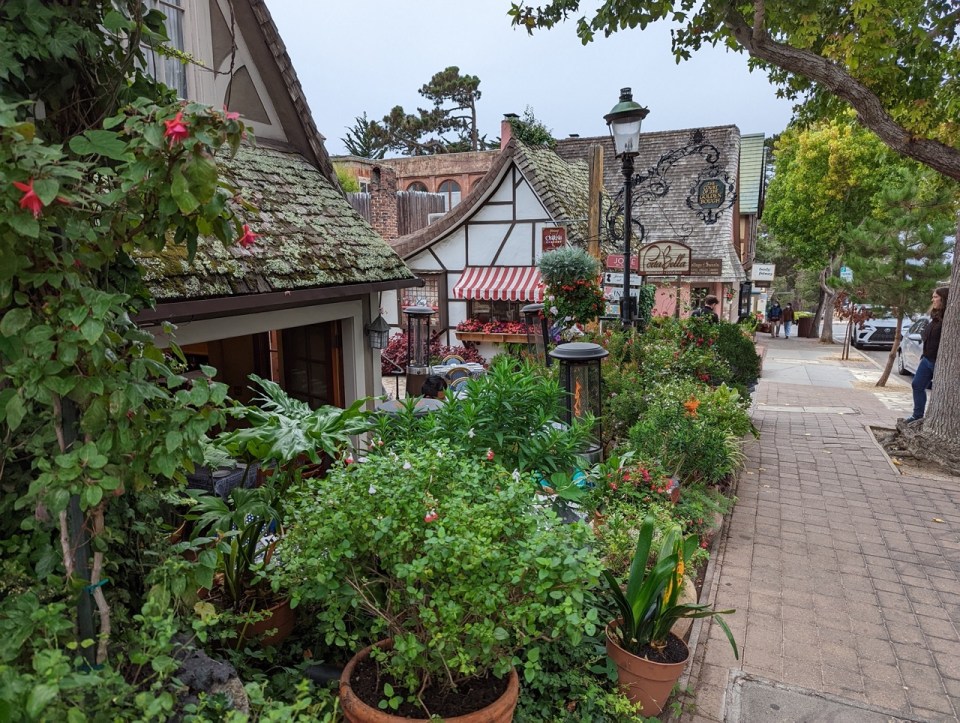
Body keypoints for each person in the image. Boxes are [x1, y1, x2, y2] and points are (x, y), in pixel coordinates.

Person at [906, 286, 949, 423]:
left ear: (944, 298)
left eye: (936, 297)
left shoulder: (948, 318)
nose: (933, 299)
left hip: (939, 361)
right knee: (917, 384)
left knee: (940, 392)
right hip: (927, 359)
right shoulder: (934, 317)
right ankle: (917, 415)